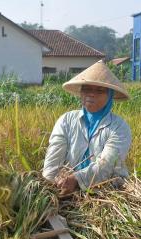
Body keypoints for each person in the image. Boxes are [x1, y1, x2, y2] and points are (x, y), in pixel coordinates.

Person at [42, 60, 132, 194]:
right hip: (66, 185)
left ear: (110, 95)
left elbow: (106, 166)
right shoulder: (66, 121)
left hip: (106, 189)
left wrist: (76, 179)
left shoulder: (119, 127)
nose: (91, 94)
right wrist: (49, 185)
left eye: (99, 90)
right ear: (81, 92)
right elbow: (53, 157)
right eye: (87, 89)